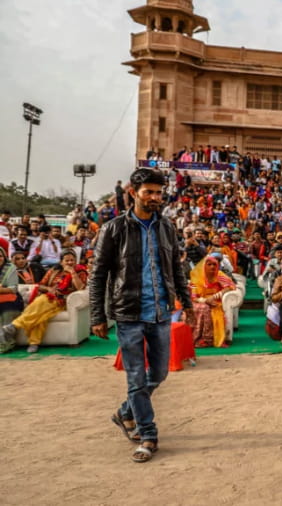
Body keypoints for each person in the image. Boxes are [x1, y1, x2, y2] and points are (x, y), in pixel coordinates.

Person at [89, 168, 194, 463]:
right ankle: (148, 435)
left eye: (159, 192)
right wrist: (98, 315)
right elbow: (98, 276)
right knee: (136, 379)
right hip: (129, 314)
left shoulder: (167, 228)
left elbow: (176, 269)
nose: (155, 198)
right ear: (133, 193)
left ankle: (125, 412)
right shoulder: (113, 229)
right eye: (149, 192)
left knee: (159, 373)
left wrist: (186, 303)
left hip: (161, 312)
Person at [1, 249, 87, 353]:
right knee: (42, 315)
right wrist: (48, 289)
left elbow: (81, 288)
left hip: (63, 301)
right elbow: (41, 285)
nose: (70, 263)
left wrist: (72, 272)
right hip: (49, 298)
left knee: (41, 302)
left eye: (72, 260)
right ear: (61, 262)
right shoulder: (54, 270)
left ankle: (14, 326)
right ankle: (34, 343)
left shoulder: (80, 271)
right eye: (67, 260)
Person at [189, 255, 236, 348]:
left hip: (216, 301)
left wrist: (214, 297)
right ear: (203, 266)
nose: (212, 267)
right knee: (203, 308)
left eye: (214, 264)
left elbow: (230, 287)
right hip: (199, 301)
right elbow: (193, 297)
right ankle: (197, 339)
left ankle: (207, 340)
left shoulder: (219, 275)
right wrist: (206, 300)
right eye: (209, 264)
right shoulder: (196, 276)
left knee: (210, 310)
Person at [0, 249, 25, 353]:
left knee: (7, 312)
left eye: (0, 256)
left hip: (11, 299)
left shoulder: (11, 268)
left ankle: (7, 343)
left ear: (4, 257)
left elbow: (13, 289)